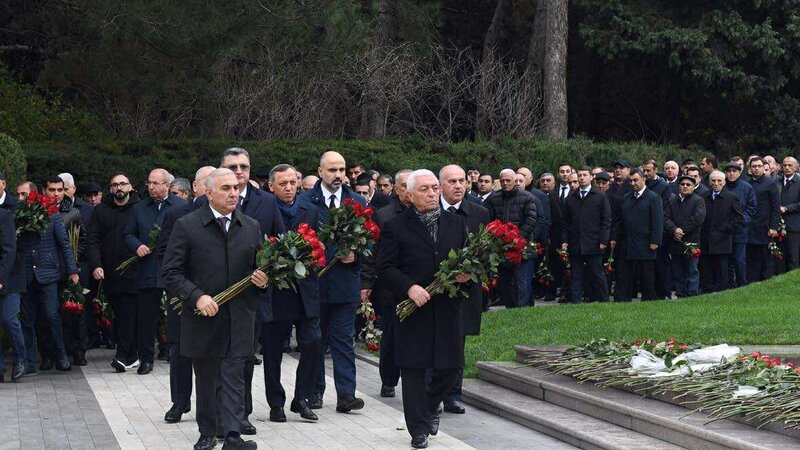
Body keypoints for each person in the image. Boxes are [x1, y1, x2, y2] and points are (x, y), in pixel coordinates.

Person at [162, 168, 263, 450]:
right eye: (226, 188)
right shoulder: (188, 226)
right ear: (208, 193)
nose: (234, 193)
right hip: (203, 317)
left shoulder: (251, 226)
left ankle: (232, 435)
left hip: (239, 317)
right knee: (207, 378)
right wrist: (196, 297)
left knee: (234, 376)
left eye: (236, 188)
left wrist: (263, 281)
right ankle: (207, 432)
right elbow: (170, 272)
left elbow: (259, 270)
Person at [377, 169, 470, 449]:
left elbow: (466, 258)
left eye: (434, 188)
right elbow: (385, 267)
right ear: (409, 194)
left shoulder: (455, 223)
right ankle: (418, 429)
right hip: (412, 308)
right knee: (414, 370)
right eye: (424, 190)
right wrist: (409, 287)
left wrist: (466, 274)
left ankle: (429, 407)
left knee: (451, 366)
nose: (431, 194)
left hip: (446, 306)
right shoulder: (396, 226)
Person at [220, 147, 285, 434]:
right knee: (218, 358)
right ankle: (217, 414)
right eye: (232, 166)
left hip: (253, 297)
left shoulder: (267, 202)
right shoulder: (208, 200)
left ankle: (241, 414)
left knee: (245, 358)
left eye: (243, 166)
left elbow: (279, 245)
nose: (239, 171)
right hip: (217, 296)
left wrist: (266, 274)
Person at [300, 151, 366, 413]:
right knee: (315, 341)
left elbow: (369, 240)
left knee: (343, 341)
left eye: (342, 169)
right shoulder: (306, 202)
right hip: (315, 285)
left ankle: (346, 394)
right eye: (332, 170)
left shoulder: (357, 201)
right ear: (320, 171)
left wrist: (357, 254)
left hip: (345, 285)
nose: (338, 175)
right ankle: (315, 391)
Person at [262, 164, 322, 423]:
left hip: (305, 289)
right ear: (271, 186)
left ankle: (301, 398)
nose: (288, 188)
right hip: (276, 291)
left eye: (292, 182)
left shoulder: (311, 209)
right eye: (282, 183)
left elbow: (321, 244)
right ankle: (276, 403)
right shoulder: (265, 209)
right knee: (273, 350)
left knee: (313, 341)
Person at [156, 166, 214, 424]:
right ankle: (179, 401)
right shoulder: (177, 213)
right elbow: (165, 255)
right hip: (183, 295)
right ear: (197, 186)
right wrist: (181, 290)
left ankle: (215, 406)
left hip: (218, 296)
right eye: (208, 182)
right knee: (179, 350)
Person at [436, 165, 489, 414]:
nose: (459, 186)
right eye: (452, 181)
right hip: (433, 288)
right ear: (440, 185)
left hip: (465, 289)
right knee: (432, 342)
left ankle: (453, 395)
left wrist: (472, 271)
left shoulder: (478, 212)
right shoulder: (429, 210)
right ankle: (431, 392)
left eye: (462, 181)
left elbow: (486, 252)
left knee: (458, 342)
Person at [124, 168, 186, 375]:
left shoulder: (181, 206)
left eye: (155, 183)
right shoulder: (139, 208)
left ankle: (177, 352)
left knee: (177, 313)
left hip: (174, 269)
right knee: (146, 317)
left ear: (167, 185)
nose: (150, 187)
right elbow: (128, 234)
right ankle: (146, 358)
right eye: (149, 183)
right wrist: (137, 245)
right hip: (147, 268)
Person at [360, 169, 412, 400]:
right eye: (404, 186)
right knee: (391, 335)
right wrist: (367, 282)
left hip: (421, 287)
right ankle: (389, 380)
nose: (409, 191)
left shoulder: (429, 212)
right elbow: (372, 254)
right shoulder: (385, 215)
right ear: (396, 188)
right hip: (391, 286)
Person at [21, 176, 79, 374]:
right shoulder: (21, 214)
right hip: (27, 274)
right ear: (43, 192)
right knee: (31, 318)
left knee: (51, 315)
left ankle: (61, 354)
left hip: (48, 273)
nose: (56, 194)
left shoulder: (53, 215)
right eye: (51, 190)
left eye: (59, 190)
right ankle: (44, 356)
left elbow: (64, 244)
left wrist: (72, 270)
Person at [87, 174, 141, 371]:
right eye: (115, 185)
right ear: (110, 190)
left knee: (128, 312)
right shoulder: (101, 211)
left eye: (123, 184)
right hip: (109, 272)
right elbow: (92, 240)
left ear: (131, 187)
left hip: (135, 271)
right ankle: (132, 354)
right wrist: (96, 264)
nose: (119, 187)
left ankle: (122, 356)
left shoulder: (140, 208)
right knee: (119, 313)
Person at [484, 169, 537, 308]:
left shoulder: (527, 197)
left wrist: (517, 239)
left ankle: (522, 308)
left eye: (508, 180)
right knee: (505, 280)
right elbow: (489, 220)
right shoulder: (494, 198)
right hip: (501, 247)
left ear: (515, 180)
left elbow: (531, 220)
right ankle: (510, 308)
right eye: (502, 181)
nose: (505, 183)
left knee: (522, 281)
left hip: (521, 246)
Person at [561, 167, 612, 303]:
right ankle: (576, 301)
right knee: (576, 274)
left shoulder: (600, 196)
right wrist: (565, 240)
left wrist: (603, 240)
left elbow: (606, 220)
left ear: (591, 177)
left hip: (594, 242)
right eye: (579, 175)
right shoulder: (571, 197)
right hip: (576, 242)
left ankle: (604, 300)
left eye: (585, 175)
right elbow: (566, 222)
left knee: (597, 273)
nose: (582, 178)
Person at [617, 170, 663, 301]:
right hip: (628, 241)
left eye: (636, 180)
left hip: (646, 242)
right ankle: (623, 298)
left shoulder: (653, 197)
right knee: (625, 272)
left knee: (646, 273)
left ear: (644, 180)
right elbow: (621, 220)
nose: (632, 183)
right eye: (630, 180)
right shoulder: (626, 197)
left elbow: (657, 221)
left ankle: (648, 298)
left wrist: (655, 241)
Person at [699, 171, 743, 293]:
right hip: (706, 239)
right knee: (707, 268)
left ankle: (722, 291)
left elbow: (739, 217)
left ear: (724, 182)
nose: (716, 183)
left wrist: (727, 228)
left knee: (722, 268)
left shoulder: (731, 197)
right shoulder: (704, 196)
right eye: (713, 181)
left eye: (719, 181)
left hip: (722, 239)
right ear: (709, 182)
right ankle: (706, 291)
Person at [665, 175, 706, 297]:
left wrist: (681, 231)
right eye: (682, 184)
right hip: (675, 242)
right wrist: (674, 230)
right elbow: (666, 218)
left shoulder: (698, 201)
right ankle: (680, 293)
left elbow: (697, 219)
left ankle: (692, 293)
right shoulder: (672, 201)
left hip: (691, 241)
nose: (685, 186)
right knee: (677, 269)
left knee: (692, 269)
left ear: (693, 187)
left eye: (688, 185)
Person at [745, 157, 780, 282]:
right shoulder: (746, 183)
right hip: (749, 227)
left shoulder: (770, 183)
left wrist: (774, 227)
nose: (757, 168)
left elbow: (775, 207)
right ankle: (751, 283)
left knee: (765, 258)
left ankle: (765, 282)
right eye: (754, 166)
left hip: (764, 227)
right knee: (751, 258)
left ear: (764, 168)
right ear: (750, 168)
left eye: (759, 166)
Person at [724, 162, 756, 287]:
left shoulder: (747, 187)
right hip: (725, 230)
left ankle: (741, 285)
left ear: (739, 173)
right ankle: (729, 285)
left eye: (734, 171)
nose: (732, 174)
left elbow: (752, 208)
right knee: (727, 261)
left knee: (739, 260)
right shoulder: (722, 185)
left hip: (740, 230)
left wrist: (742, 221)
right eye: (729, 171)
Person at [0, 204, 22, 382]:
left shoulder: (4, 216)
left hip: (8, 278)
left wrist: (0, 279)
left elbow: (9, 250)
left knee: (9, 319)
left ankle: (19, 359)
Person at [777, 157, 800, 273]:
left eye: (790, 165)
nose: (786, 167)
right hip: (778, 226)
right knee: (780, 256)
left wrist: (786, 209)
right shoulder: (777, 181)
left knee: (793, 257)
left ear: (796, 167)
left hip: (794, 227)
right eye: (785, 165)